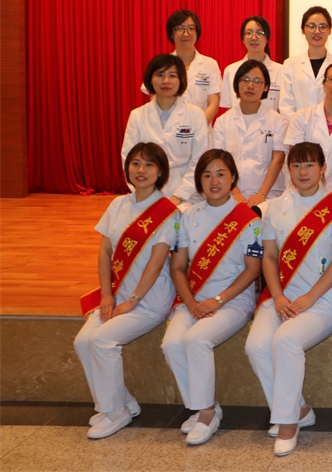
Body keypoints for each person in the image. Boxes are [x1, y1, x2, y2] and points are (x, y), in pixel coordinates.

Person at [244, 141, 332, 456]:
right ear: (288, 170)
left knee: (286, 341)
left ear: (322, 168)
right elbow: (269, 257)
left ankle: (287, 422)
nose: (303, 172)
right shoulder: (275, 207)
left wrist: (309, 297)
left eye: (309, 165)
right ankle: (299, 409)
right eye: (296, 165)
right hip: (282, 296)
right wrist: (278, 296)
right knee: (256, 346)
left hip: (324, 300)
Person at [74, 142, 180, 439]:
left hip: (149, 301)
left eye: (149, 164)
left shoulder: (168, 213)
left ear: (161, 172)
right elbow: (105, 252)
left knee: (102, 340)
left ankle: (115, 412)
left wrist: (132, 301)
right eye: (135, 163)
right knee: (82, 341)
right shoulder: (118, 204)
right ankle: (122, 403)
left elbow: (157, 261)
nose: (141, 170)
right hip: (117, 296)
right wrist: (107, 295)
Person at [161, 149, 262, 446]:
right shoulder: (188, 216)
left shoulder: (247, 219)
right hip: (193, 299)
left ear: (233, 178)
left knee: (196, 339)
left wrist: (217, 301)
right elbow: (178, 267)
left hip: (234, 301)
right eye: (206, 175)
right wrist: (192, 303)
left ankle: (205, 413)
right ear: (198, 181)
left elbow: (253, 270)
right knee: (171, 344)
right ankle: (204, 405)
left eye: (220, 174)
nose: (214, 181)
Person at [123, 54, 210, 208]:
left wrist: (178, 196)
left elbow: (199, 160)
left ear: (181, 80)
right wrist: (144, 192)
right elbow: (128, 159)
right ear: (150, 80)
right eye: (160, 74)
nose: (166, 81)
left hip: (187, 196)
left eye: (172, 75)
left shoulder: (195, 115)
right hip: (146, 192)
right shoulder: (137, 115)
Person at [212, 59, 288, 214]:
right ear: (236, 84)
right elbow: (219, 161)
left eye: (257, 81)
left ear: (266, 87)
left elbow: (278, 159)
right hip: (230, 193)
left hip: (269, 195)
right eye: (245, 80)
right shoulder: (222, 121)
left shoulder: (278, 121)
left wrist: (261, 194)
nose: (250, 85)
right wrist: (235, 192)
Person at [284, 62, 332, 199]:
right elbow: (294, 163)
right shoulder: (302, 117)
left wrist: (330, 198)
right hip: (302, 193)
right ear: (323, 83)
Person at [141, 10, 222, 125]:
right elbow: (154, 100)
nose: (186, 33)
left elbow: (213, 104)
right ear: (171, 33)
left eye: (190, 28)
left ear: (197, 32)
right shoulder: (161, 64)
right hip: (167, 128)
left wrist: (196, 128)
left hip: (201, 129)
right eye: (180, 28)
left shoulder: (210, 64)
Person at [278, 6, 332, 116]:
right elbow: (285, 106)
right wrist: (301, 125)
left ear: (329, 30)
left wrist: (328, 124)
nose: (317, 31)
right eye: (311, 26)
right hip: (298, 126)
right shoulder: (290, 65)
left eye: (323, 27)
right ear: (303, 30)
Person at [220, 16, 284, 114]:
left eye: (260, 33)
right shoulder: (231, 70)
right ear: (243, 39)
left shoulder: (281, 71)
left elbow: (283, 108)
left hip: (271, 123)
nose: (254, 38)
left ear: (267, 38)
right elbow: (229, 109)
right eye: (249, 33)